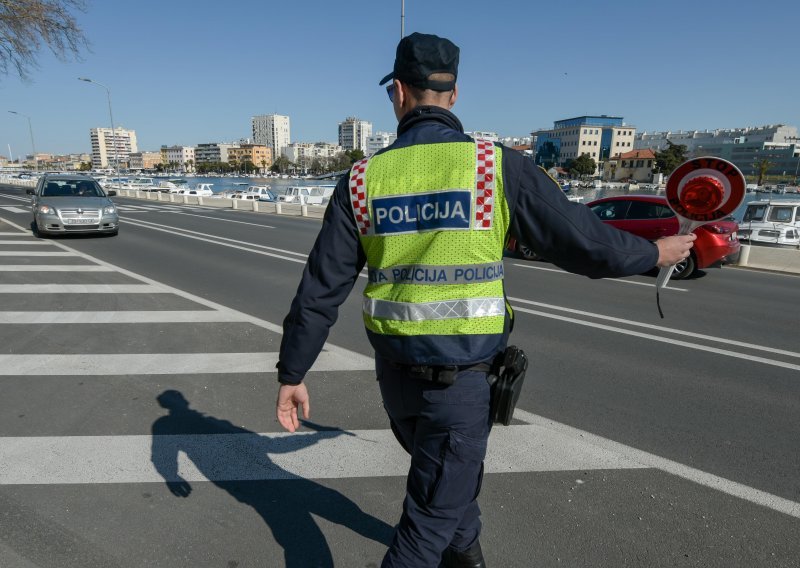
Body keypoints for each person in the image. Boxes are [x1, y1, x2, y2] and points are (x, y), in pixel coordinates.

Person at [275, 32, 695, 568]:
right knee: (428, 519)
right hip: (460, 383)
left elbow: (320, 288)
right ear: (453, 95)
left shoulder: (362, 179)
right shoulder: (495, 166)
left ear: (398, 93)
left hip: (396, 381)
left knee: (447, 485)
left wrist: (293, 372)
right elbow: (584, 244)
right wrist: (652, 252)